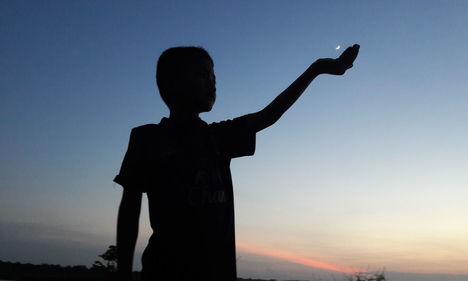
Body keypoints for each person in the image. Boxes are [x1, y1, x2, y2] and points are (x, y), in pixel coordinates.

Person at [114, 44, 360, 281]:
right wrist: (123, 273)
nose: (213, 82)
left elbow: (269, 115)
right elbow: (129, 209)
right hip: (164, 271)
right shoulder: (146, 138)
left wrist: (316, 69)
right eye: (203, 74)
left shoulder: (218, 137)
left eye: (214, 76)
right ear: (172, 83)